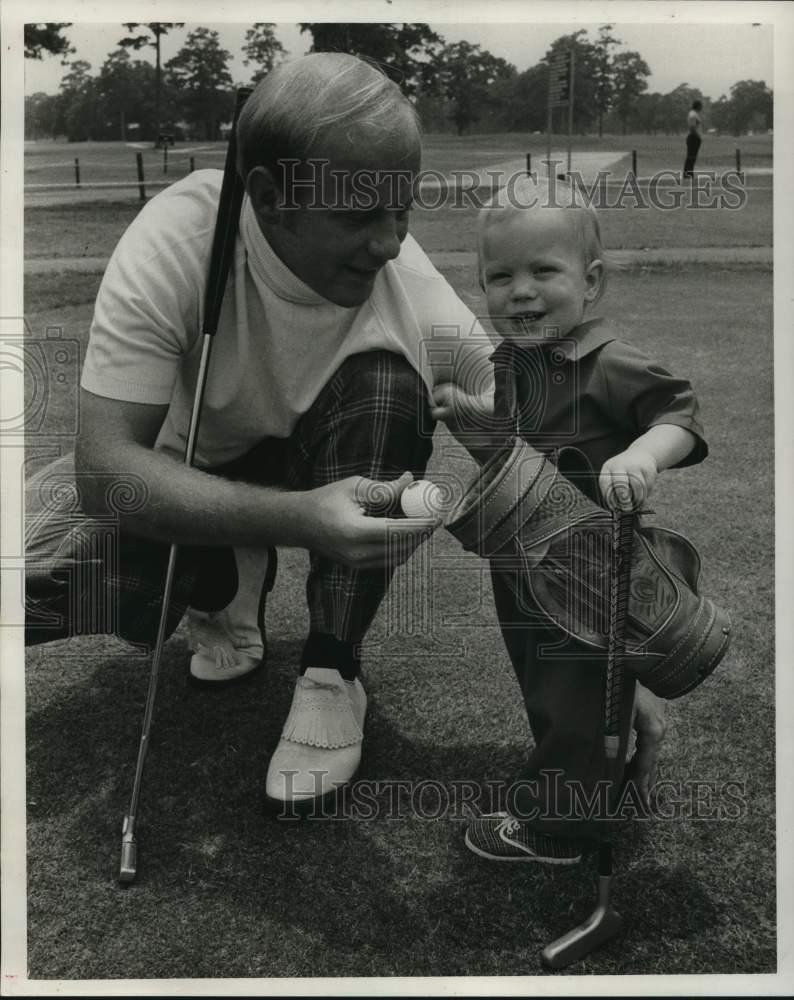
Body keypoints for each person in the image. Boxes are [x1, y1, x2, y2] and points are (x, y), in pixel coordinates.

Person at [25, 53, 492, 811]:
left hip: (318, 459)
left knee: (388, 393)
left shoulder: (404, 277)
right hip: (177, 474)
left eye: (404, 206)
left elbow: (525, 430)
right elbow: (106, 470)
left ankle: (332, 669)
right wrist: (296, 521)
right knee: (37, 592)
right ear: (270, 197)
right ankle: (221, 579)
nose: (391, 242)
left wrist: (599, 638)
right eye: (359, 213)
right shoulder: (177, 240)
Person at [460, 176, 708, 863]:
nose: (521, 290)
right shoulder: (508, 362)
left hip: (592, 572)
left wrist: (643, 455)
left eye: (545, 270)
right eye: (499, 275)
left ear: (590, 282)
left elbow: (679, 415)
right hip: (525, 565)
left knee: (572, 695)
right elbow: (511, 448)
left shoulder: (606, 362)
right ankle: (619, 728)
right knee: (545, 681)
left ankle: (563, 829)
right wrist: (477, 427)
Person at [683, 99, 703, 179]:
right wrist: (698, 136)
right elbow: (692, 127)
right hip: (693, 137)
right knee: (691, 156)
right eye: (701, 106)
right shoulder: (693, 115)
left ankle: (689, 173)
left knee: (692, 157)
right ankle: (687, 174)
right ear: (698, 106)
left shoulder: (694, 114)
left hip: (694, 137)